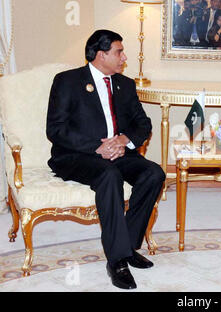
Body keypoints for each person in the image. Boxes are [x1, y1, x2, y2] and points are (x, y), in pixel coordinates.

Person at [46, 29, 165, 289]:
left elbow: (143, 124)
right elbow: (56, 129)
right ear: (101, 55)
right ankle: (117, 260)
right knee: (109, 176)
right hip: (79, 156)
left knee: (154, 173)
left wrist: (123, 141)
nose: (124, 57)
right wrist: (97, 148)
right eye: (119, 52)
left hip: (119, 153)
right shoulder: (67, 81)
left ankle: (128, 245)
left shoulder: (125, 84)